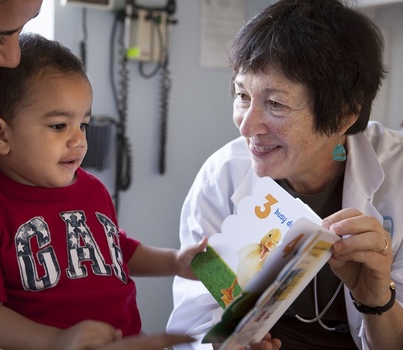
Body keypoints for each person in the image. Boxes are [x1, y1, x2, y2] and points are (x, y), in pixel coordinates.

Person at [0, 1, 197, 350]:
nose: (79, 139)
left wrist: (173, 261)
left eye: (84, 124)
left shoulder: (91, 190)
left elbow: (113, 249)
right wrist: (58, 341)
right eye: (60, 125)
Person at [166, 0, 403, 349]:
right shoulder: (223, 177)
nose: (247, 127)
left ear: (342, 116)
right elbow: (200, 314)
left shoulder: (397, 176)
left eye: (275, 104)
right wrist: (226, 344)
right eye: (242, 95)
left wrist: (377, 300)